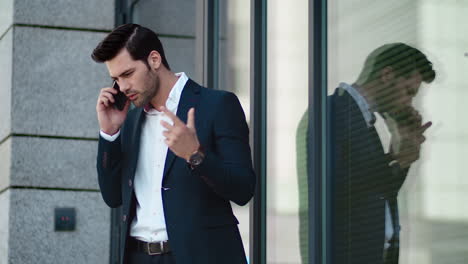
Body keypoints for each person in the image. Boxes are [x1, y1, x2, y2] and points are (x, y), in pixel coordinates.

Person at [92, 23, 255, 264]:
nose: (123, 87)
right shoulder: (129, 118)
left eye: (127, 74)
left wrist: (195, 155)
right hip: (138, 256)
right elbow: (113, 197)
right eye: (116, 79)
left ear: (154, 60)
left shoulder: (217, 105)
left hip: (200, 256)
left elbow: (243, 190)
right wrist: (109, 133)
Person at [330, 43, 435, 264]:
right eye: (409, 91)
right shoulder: (337, 111)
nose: (409, 102)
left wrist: (401, 155)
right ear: (387, 75)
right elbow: (342, 191)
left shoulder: (362, 118)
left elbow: (378, 193)